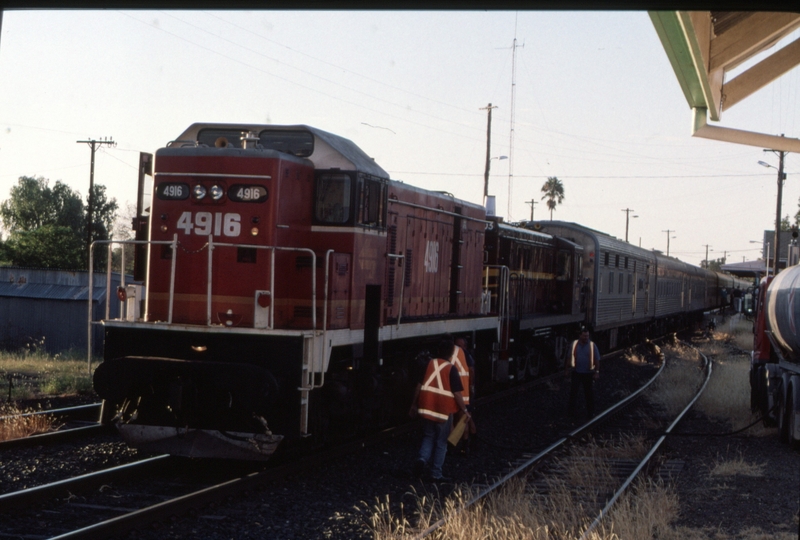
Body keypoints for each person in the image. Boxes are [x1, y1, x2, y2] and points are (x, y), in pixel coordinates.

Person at [409, 339, 469, 482]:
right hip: (443, 412)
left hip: (426, 409)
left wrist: (413, 405)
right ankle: (436, 473)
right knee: (441, 442)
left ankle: (422, 459)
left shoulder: (427, 365)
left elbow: (418, 387)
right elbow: (457, 394)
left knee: (428, 437)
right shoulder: (451, 369)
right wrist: (464, 410)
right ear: (450, 354)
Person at [565, 328, 601, 420]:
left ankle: (590, 413)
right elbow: (569, 358)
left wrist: (596, 372)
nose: (586, 338)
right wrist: (567, 369)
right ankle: (570, 413)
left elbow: (597, 360)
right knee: (573, 393)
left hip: (588, 374)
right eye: (584, 336)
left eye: (587, 336)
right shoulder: (574, 345)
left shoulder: (592, 346)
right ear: (580, 335)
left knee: (588, 394)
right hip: (576, 372)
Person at [453, 337, 477, 453]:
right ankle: (472, 441)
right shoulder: (465, 356)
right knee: (467, 417)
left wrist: (471, 387)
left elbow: (471, 371)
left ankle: (464, 446)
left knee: (463, 419)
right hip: (465, 392)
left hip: (464, 393)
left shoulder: (465, 355)